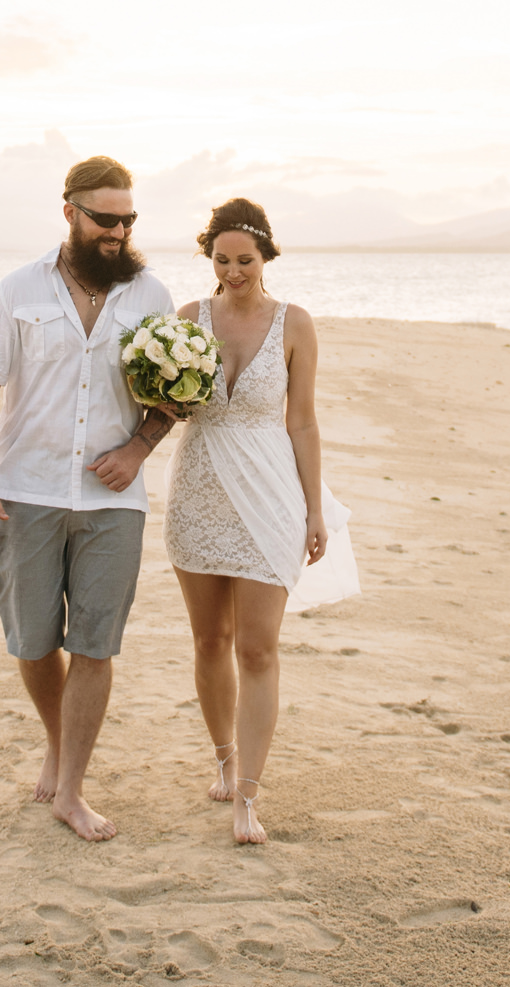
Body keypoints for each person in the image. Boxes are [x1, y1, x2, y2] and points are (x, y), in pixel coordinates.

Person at [0, 154, 177, 842]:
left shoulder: (150, 295)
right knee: (31, 640)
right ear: (70, 213)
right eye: (105, 218)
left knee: (94, 643)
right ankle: (57, 741)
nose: (117, 232)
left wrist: (140, 446)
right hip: (25, 491)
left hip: (114, 503)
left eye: (127, 219)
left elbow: (180, 390)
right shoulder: (18, 290)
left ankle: (72, 788)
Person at [164, 197, 359, 845]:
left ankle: (248, 794)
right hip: (199, 487)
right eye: (221, 260)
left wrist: (313, 507)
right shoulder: (187, 319)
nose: (233, 271)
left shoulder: (295, 323)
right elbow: (170, 407)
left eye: (244, 259)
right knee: (209, 641)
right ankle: (223, 758)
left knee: (257, 646)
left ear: (266, 256)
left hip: (270, 489)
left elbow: (301, 420)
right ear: (209, 259)